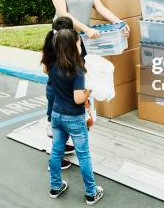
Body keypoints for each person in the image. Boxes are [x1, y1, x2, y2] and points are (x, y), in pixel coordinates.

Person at [44, 28, 104, 205]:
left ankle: (55, 187)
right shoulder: (76, 69)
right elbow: (78, 99)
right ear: (71, 46)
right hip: (74, 118)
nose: (80, 45)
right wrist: (88, 91)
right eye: (78, 42)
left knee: (56, 151)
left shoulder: (51, 63)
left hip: (56, 114)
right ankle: (91, 193)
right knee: (83, 155)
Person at [41, 16, 77, 170]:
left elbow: (45, 68)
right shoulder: (63, 49)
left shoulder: (51, 43)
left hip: (53, 90)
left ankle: (61, 146)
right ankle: (55, 160)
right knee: (58, 126)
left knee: (57, 124)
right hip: (61, 94)